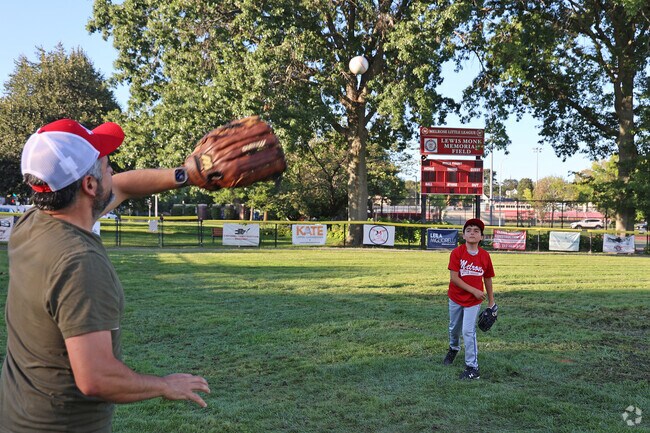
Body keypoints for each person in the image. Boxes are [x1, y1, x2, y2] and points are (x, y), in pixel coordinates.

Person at [0, 119, 210, 432]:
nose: (112, 171)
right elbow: (96, 377)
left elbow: (123, 185)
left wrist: (187, 175)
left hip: (17, 415)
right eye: (107, 165)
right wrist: (164, 384)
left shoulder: (31, 223)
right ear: (89, 186)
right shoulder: (79, 263)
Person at [442, 218, 495, 380]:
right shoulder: (457, 252)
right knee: (454, 328)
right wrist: (474, 290)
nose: (472, 233)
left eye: (476, 231)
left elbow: (487, 278)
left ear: (482, 237)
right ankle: (453, 348)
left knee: (468, 331)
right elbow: (454, 278)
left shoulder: (485, 256)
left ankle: (472, 367)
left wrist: (491, 301)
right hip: (456, 297)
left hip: (474, 301)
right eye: (469, 230)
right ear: (463, 235)